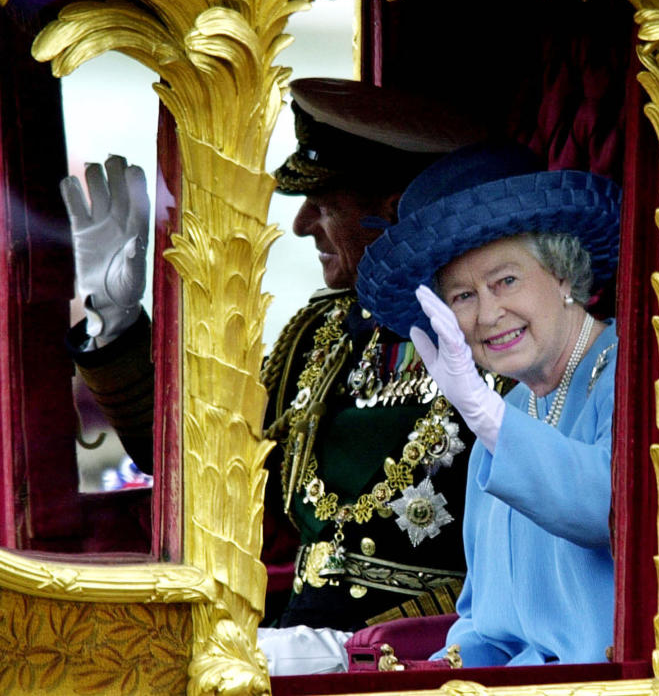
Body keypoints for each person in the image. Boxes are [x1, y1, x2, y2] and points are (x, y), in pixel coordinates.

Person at [60, 78, 498, 672]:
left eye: (323, 204)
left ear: (392, 213)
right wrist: (115, 324)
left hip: (425, 660)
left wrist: (352, 655)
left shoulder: (500, 345)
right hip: (286, 642)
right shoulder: (320, 336)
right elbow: (208, 470)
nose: (300, 225)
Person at [356, 142, 659, 666]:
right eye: (462, 296)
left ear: (563, 274)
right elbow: (487, 628)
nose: (487, 314)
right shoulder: (507, 415)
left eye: (505, 281)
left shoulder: (652, 377)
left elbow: (613, 510)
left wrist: (483, 413)